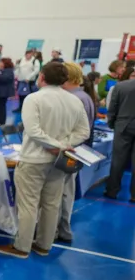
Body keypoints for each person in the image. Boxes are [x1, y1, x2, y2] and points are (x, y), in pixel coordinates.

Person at [0, 62, 90, 258]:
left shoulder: (34, 98)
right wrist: (63, 145)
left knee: (28, 204)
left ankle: (22, 247)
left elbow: (33, 131)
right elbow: (83, 132)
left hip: (34, 160)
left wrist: (56, 145)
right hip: (59, 161)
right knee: (51, 203)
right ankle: (44, 245)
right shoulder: (74, 101)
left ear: (42, 77)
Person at [54, 62, 97, 243]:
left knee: (60, 193)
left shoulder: (75, 99)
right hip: (73, 151)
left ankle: (57, 229)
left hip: (68, 151)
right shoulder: (84, 97)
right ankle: (62, 228)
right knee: (66, 192)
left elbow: (76, 129)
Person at [106, 73, 135, 202]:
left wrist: (111, 123)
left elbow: (113, 107)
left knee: (118, 160)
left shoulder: (121, 86)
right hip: (124, 124)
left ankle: (112, 191)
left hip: (123, 126)